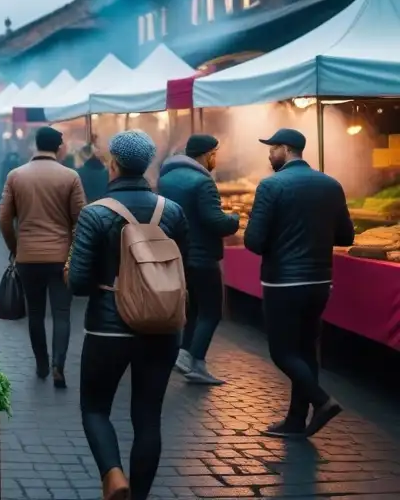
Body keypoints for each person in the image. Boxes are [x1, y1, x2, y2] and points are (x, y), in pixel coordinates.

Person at [66, 130, 190, 500]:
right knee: (148, 417)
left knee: (95, 407)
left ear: (113, 164)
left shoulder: (96, 213)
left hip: (109, 327)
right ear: (147, 164)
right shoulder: (172, 210)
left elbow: (78, 283)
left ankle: (114, 474)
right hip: (163, 326)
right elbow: (185, 265)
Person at [244, 128, 353, 438]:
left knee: (282, 352)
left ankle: (322, 401)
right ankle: (295, 420)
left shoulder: (270, 186)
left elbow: (253, 241)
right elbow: (346, 236)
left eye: (272, 148)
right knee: (305, 351)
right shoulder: (331, 185)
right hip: (320, 281)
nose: (269, 154)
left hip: (283, 283)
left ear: (287, 149)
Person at [0, 127, 85, 387]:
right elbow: (82, 219)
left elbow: (3, 219)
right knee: (61, 312)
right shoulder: (71, 177)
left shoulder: (16, 176)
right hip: (61, 258)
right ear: (59, 148)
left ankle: (42, 364)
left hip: (28, 257)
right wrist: (74, 250)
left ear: (35, 145)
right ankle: (59, 364)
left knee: (35, 313)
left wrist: (15, 247)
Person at [157, 134, 240, 384]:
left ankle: (184, 355)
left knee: (192, 308)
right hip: (203, 256)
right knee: (212, 311)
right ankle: (197, 361)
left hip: (178, 254)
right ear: (208, 154)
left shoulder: (166, 178)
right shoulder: (202, 182)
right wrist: (234, 218)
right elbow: (215, 221)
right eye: (216, 153)